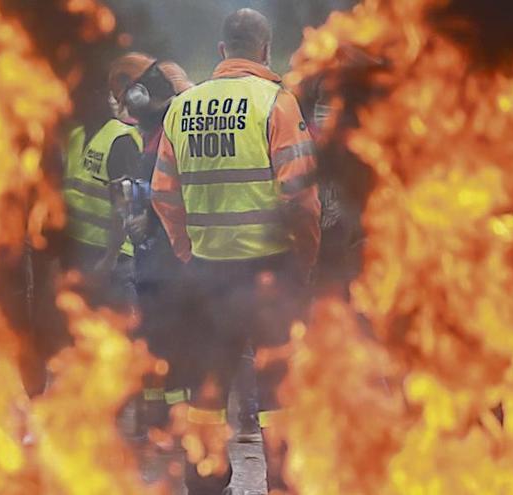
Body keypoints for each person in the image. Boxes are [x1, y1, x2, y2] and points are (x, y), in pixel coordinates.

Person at [152, 9, 321, 494]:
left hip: (207, 275)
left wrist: (189, 251)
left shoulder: (182, 108)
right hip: (270, 274)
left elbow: (162, 194)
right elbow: (301, 198)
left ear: (223, 52)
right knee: (278, 395)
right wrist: (301, 264)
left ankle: (205, 484)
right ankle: (284, 485)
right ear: (265, 52)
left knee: (205, 392)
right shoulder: (277, 103)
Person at [107, 53, 196, 433]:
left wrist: (148, 220)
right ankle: (158, 419)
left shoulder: (168, 135)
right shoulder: (153, 136)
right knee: (157, 341)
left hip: (168, 258)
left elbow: (173, 195)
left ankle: (172, 420)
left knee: (171, 344)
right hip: (153, 261)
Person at [61, 68, 142, 310]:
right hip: (78, 253)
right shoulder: (76, 136)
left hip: (112, 261)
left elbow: (123, 205)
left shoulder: (121, 140)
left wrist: (108, 260)